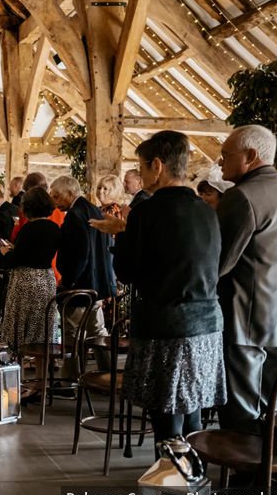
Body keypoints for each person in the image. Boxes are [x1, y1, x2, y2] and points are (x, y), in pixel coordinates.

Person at [92, 130, 226, 444]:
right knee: (192, 410)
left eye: (141, 166)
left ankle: (169, 482)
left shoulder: (147, 211)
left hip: (166, 325)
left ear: (157, 165)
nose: (140, 173)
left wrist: (120, 236)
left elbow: (127, 272)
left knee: (165, 417)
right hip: (207, 322)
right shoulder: (207, 211)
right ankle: (192, 478)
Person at [215, 125, 277, 433]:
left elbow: (219, 262)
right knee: (267, 404)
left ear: (250, 156)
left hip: (245, 316)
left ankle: (245, 475)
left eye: (225, 155)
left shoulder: (243, 197)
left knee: (241, 412)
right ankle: (263, 468)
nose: (220, 161)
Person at [50, 175, 115, 374]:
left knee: (72, 333)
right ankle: (107, 373)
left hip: (80, 285)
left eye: (57, 197)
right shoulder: (94, 209)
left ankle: (71, 379)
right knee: (97, 330)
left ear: (70, 194)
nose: (55, 202)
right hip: (96, 284)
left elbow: (79, 254)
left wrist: (68, 281)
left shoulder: (75, 216)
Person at [0, 188, 61, 347]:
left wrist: (6, 252)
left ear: (26, 207)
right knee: (42, 321)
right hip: (46, 278)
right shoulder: (54, 228)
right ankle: (41, 357)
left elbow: (18, 259)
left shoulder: (28, 229)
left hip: (26, 279)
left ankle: (21, 355)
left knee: (22, 320)